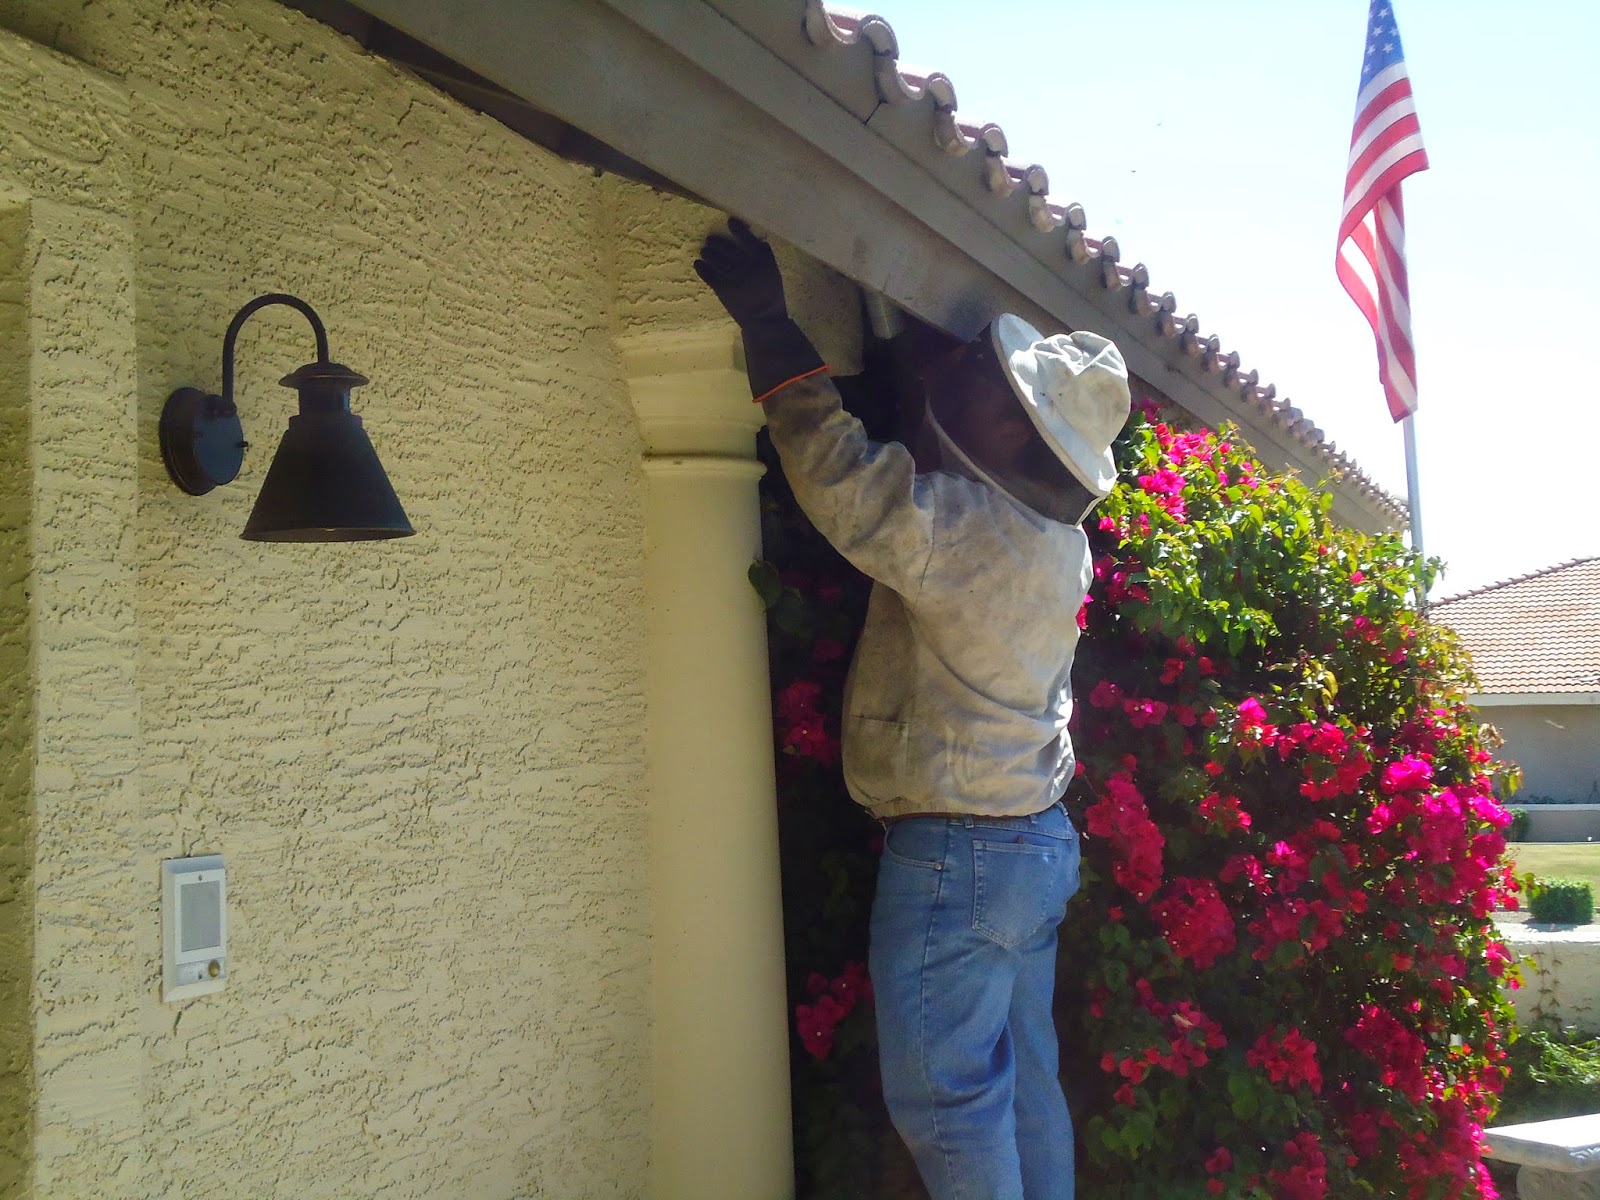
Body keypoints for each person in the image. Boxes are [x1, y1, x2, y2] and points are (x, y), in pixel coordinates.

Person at [695, 219, 1131, 1200]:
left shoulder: (965, 532)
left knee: (951, 1108)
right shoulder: (1055, 545)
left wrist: (768, 322)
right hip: (1031, 844)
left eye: (986, 380)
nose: (962, 373)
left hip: (959, 857)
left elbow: (845, 482)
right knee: (1027, 1087)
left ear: (1014, 433)